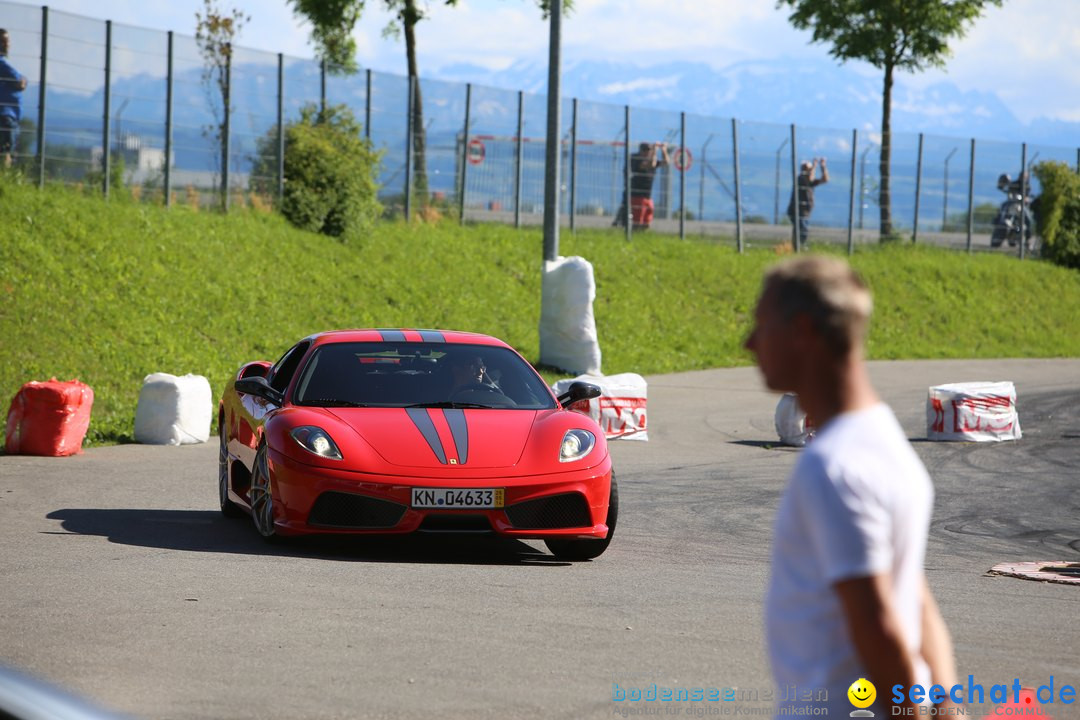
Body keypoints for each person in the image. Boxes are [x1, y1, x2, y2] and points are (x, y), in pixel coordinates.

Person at [744, 256, 957, 717]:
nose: (749, 343)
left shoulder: (833, 466)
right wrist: (946, 705)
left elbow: (879, 627)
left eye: (761, 325)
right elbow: (913, 592)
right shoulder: (885, 442)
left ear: (802, 331)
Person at [613, 142, 670, 231]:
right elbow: (650, 164)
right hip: (637, 196)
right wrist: (654, 152)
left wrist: (664, 150)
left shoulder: (652, 159)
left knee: (646, 223)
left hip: (647, 196)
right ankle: (632, 236)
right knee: (637, 222)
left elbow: (666, 162)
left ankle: (641, 237)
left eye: (649, 150)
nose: (647, 152)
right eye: (645, 150)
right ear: (640, 151)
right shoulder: (636, 159)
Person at [0, 29, 28, 168]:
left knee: (8, 153)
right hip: (5, 116)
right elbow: (20, 82)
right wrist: (22, 81)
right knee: (7, 154)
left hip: (10, 116)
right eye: (3, 41)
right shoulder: (1, 64)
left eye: (7, 41)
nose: (7, 45)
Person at [787, 157, 828, 248]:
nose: (810, 170)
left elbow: (825, 179)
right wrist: (814, 166)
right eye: (808, 169)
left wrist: (823, 167)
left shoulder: (809, 181)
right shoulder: (800, 178)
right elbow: (809, 178)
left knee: (801, 230)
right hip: (797, 210)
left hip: (805, 211)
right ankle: (798, 248)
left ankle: (797, 248)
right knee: (802, 231)